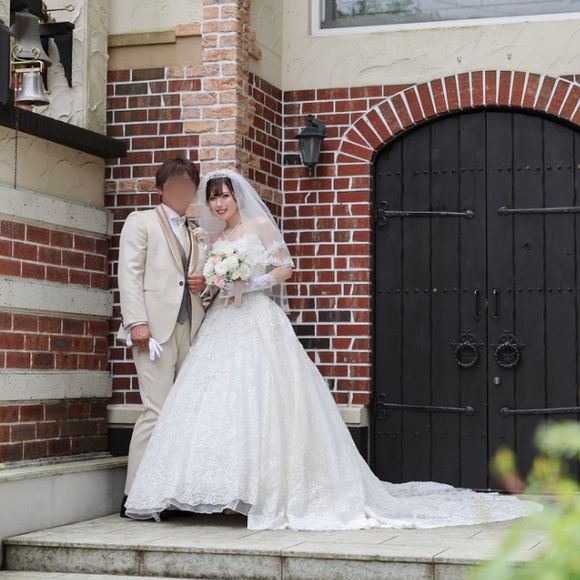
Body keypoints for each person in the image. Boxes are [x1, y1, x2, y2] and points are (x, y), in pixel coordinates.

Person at [124, 168, 542, 530]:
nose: (218, 204)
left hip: (257, 319)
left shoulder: (259, 226)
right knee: (219, 405)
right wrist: (216, 281)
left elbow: (285, 267)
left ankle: (264, 491)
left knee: (264, 401)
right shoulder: (214, 238)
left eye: (224, 196)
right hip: (222, 323)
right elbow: (211, 285)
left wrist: (250, 283)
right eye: (213, 198)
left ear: (237, 197)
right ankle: (222, 489)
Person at [116, 158, 210, 517]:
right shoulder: (140, 222)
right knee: (156, 410)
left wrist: (204, 286)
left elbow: (202, 284)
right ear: (161, 188)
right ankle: (133, 496)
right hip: (153, 331)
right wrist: (136, 322)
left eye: (188, 185)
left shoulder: (196, 231)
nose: (182, 191)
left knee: (182, 412)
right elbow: (129, 274)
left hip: (190, 328)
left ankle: (167, 493)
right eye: (175, 184)